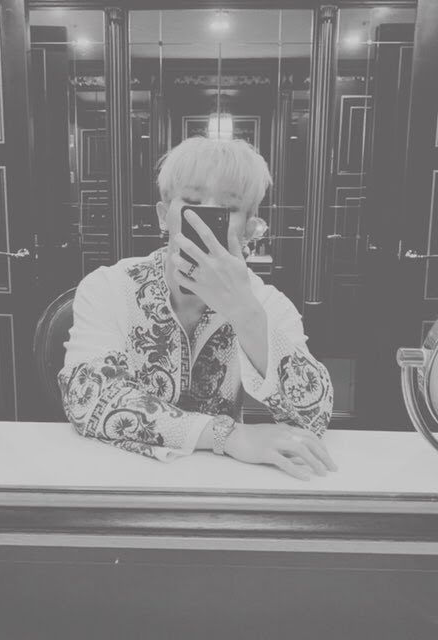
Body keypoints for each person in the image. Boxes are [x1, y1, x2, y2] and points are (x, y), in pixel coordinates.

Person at [58, 136, 337, 480]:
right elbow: (89, 398)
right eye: (191, 202)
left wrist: (245, 314)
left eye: (228, 208)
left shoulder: (265, 302)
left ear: (249, 228)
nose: (205, 220)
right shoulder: (108, 287)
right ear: (164, 215)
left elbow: (314, 417)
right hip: (121, 479)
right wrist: (226, 435)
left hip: (221, 484)